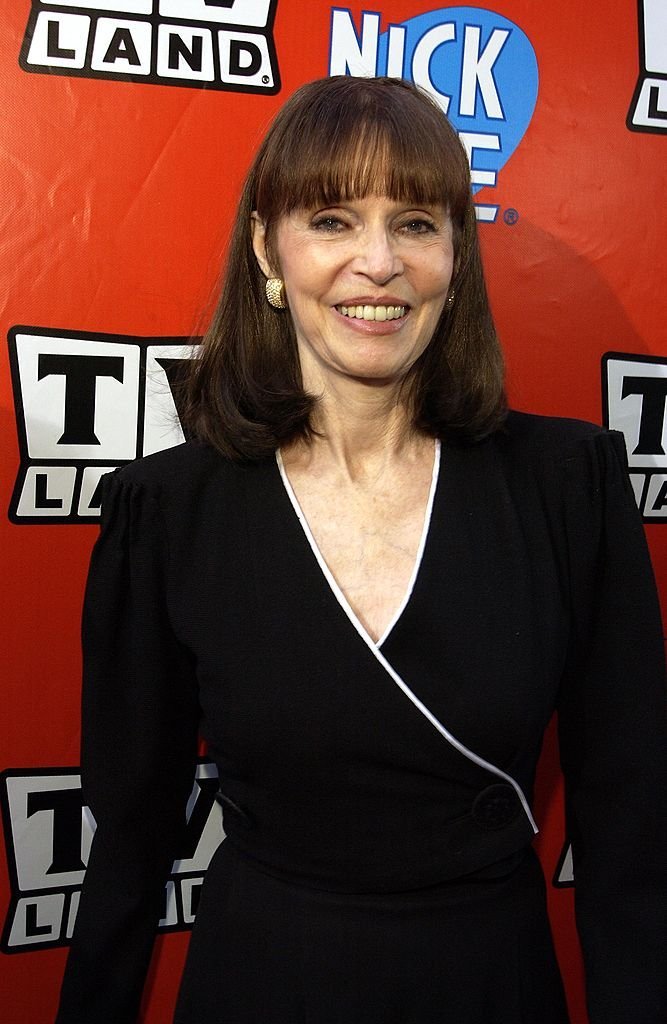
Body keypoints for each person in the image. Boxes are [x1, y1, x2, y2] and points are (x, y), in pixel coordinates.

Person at [55, 76, 667, 1024]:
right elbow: (128, 846)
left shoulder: (568, 486)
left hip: (491, 984)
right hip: (261, 982)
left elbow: (631, 837)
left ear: (455, 254)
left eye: (416, 223)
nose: (377, 263)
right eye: (333, 220)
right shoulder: (167, 511)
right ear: (268, 246)